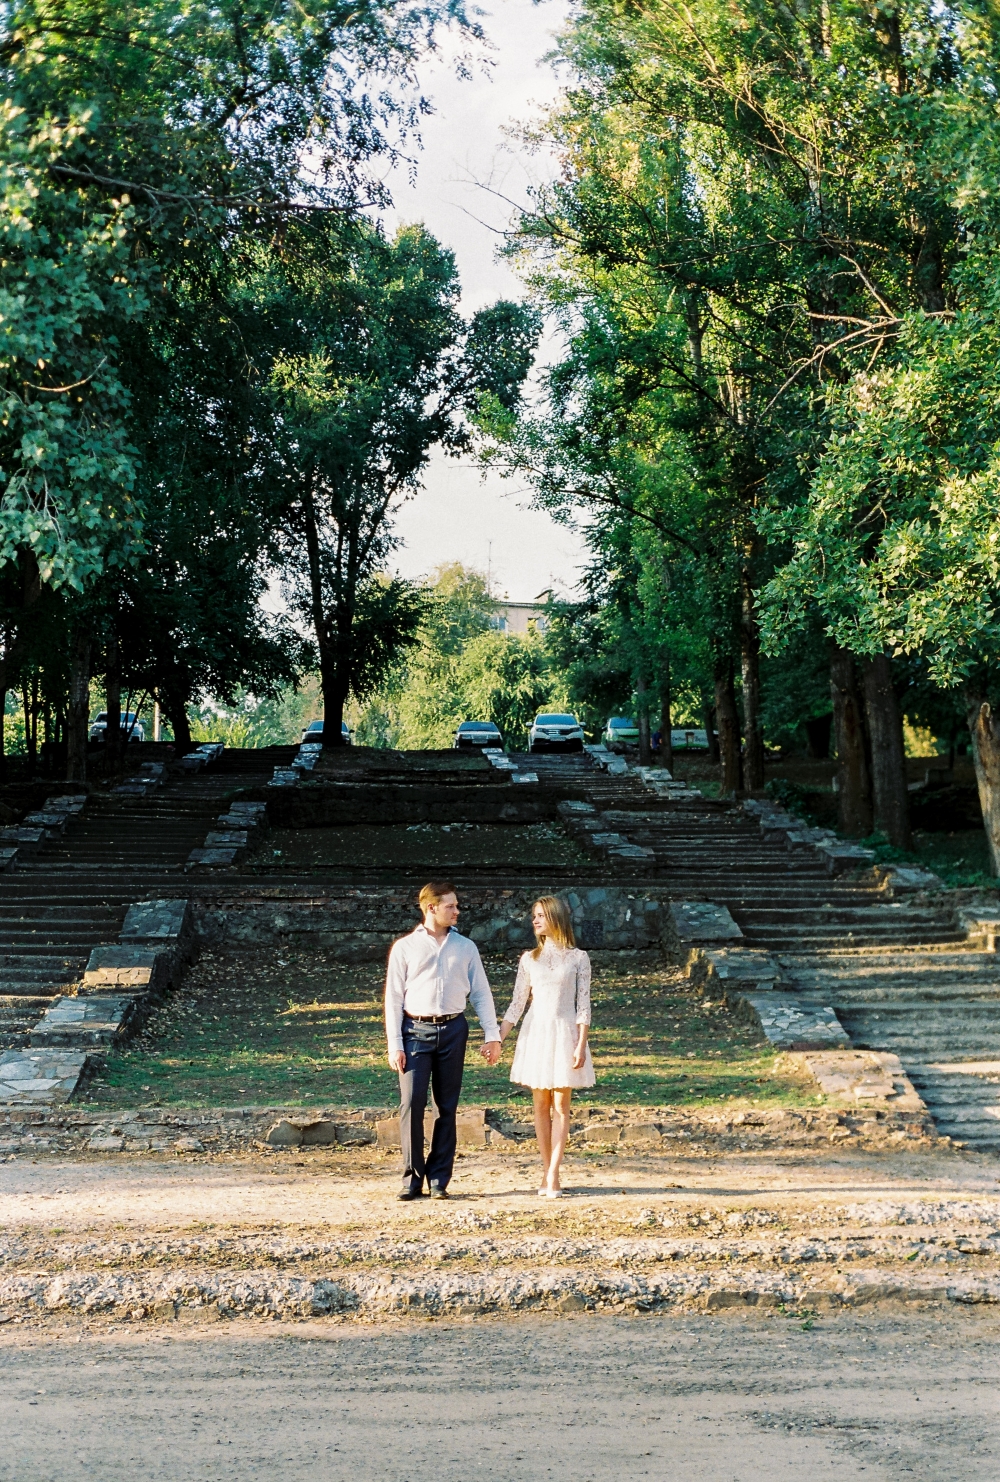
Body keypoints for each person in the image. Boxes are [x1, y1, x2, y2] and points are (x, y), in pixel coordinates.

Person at [384, 881, 501, 1200]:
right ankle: (412, 1177)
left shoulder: (465, 947)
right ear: (430, 908)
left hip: (453, 1029)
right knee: (411, 1102)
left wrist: (492, 1035)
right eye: (450, 905)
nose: (457, 910)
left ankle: (439, 1178)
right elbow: (393, 997)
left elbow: (480, 992)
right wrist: (395, 1043)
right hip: (414, 1032)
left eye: (457, 905)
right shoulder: (405, 948)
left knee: (446, 1106)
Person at [498, 895, 594, 1197]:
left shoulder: (579, 958)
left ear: (555, 918)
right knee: (539, 1104)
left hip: (564, 1032)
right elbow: (517, 1003)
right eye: (534, 916)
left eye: (541, 915)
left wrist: (581, 1043)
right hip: (536, 1032)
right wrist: (497, 1038)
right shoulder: (529, 959)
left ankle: (554, 1173)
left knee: (561, 1105)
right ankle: (545, 1171)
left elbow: (583, 1005)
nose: (535, 920)